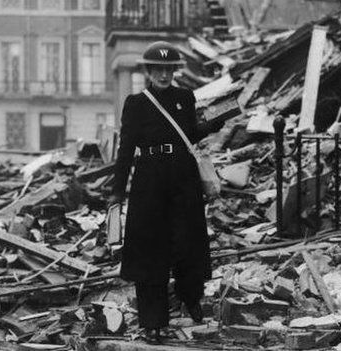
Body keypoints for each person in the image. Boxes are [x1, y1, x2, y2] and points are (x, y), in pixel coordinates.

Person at [108, 41, 224, 343]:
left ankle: (190, 297)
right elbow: (126, 150)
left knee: (188, 243)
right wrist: (117, 192)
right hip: (150, 183)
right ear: (149, 71)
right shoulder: (136, 103)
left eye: (168, 70)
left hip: (183, 179)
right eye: (157, 69)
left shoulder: (185, 97)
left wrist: (213, 124)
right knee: (150, 253)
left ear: (174, 71)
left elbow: (189, 133)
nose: (163, 75)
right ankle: (153, 321)